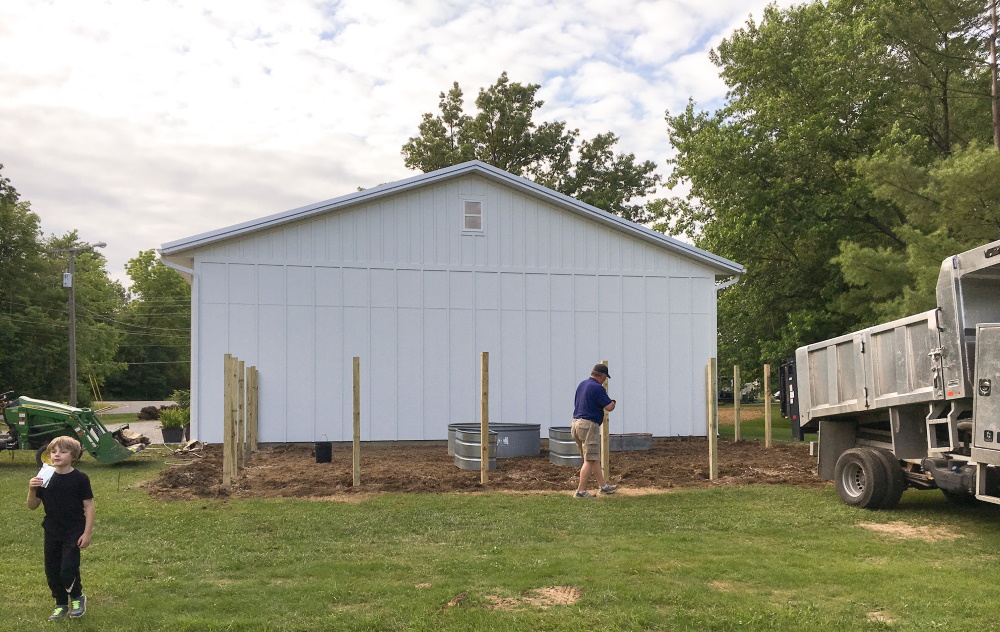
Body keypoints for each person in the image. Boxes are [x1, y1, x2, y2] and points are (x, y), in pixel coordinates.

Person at [27, 436, 94, 621]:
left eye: (63, 452)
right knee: (52, 570)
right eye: (53, 452)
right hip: (52, 530)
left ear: (74, 456)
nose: (57, 455)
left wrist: (87, 533)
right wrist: (32, 489)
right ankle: (61, 604)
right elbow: (32, 506)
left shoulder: (80, 478)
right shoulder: (44, 476)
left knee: (68, 568)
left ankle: (77, 597)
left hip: (74, 530)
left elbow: (88, 505)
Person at [571, 364, 618, 498]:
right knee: (589, 460)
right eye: (605, 377)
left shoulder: (582, 384)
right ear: (602, 375)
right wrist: (613, 402)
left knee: (593, 458)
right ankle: (580, 491)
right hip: (588, 425)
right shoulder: (598, 388)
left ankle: (603, 487)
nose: (605, 380)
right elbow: (609, 407)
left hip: (576, 424)